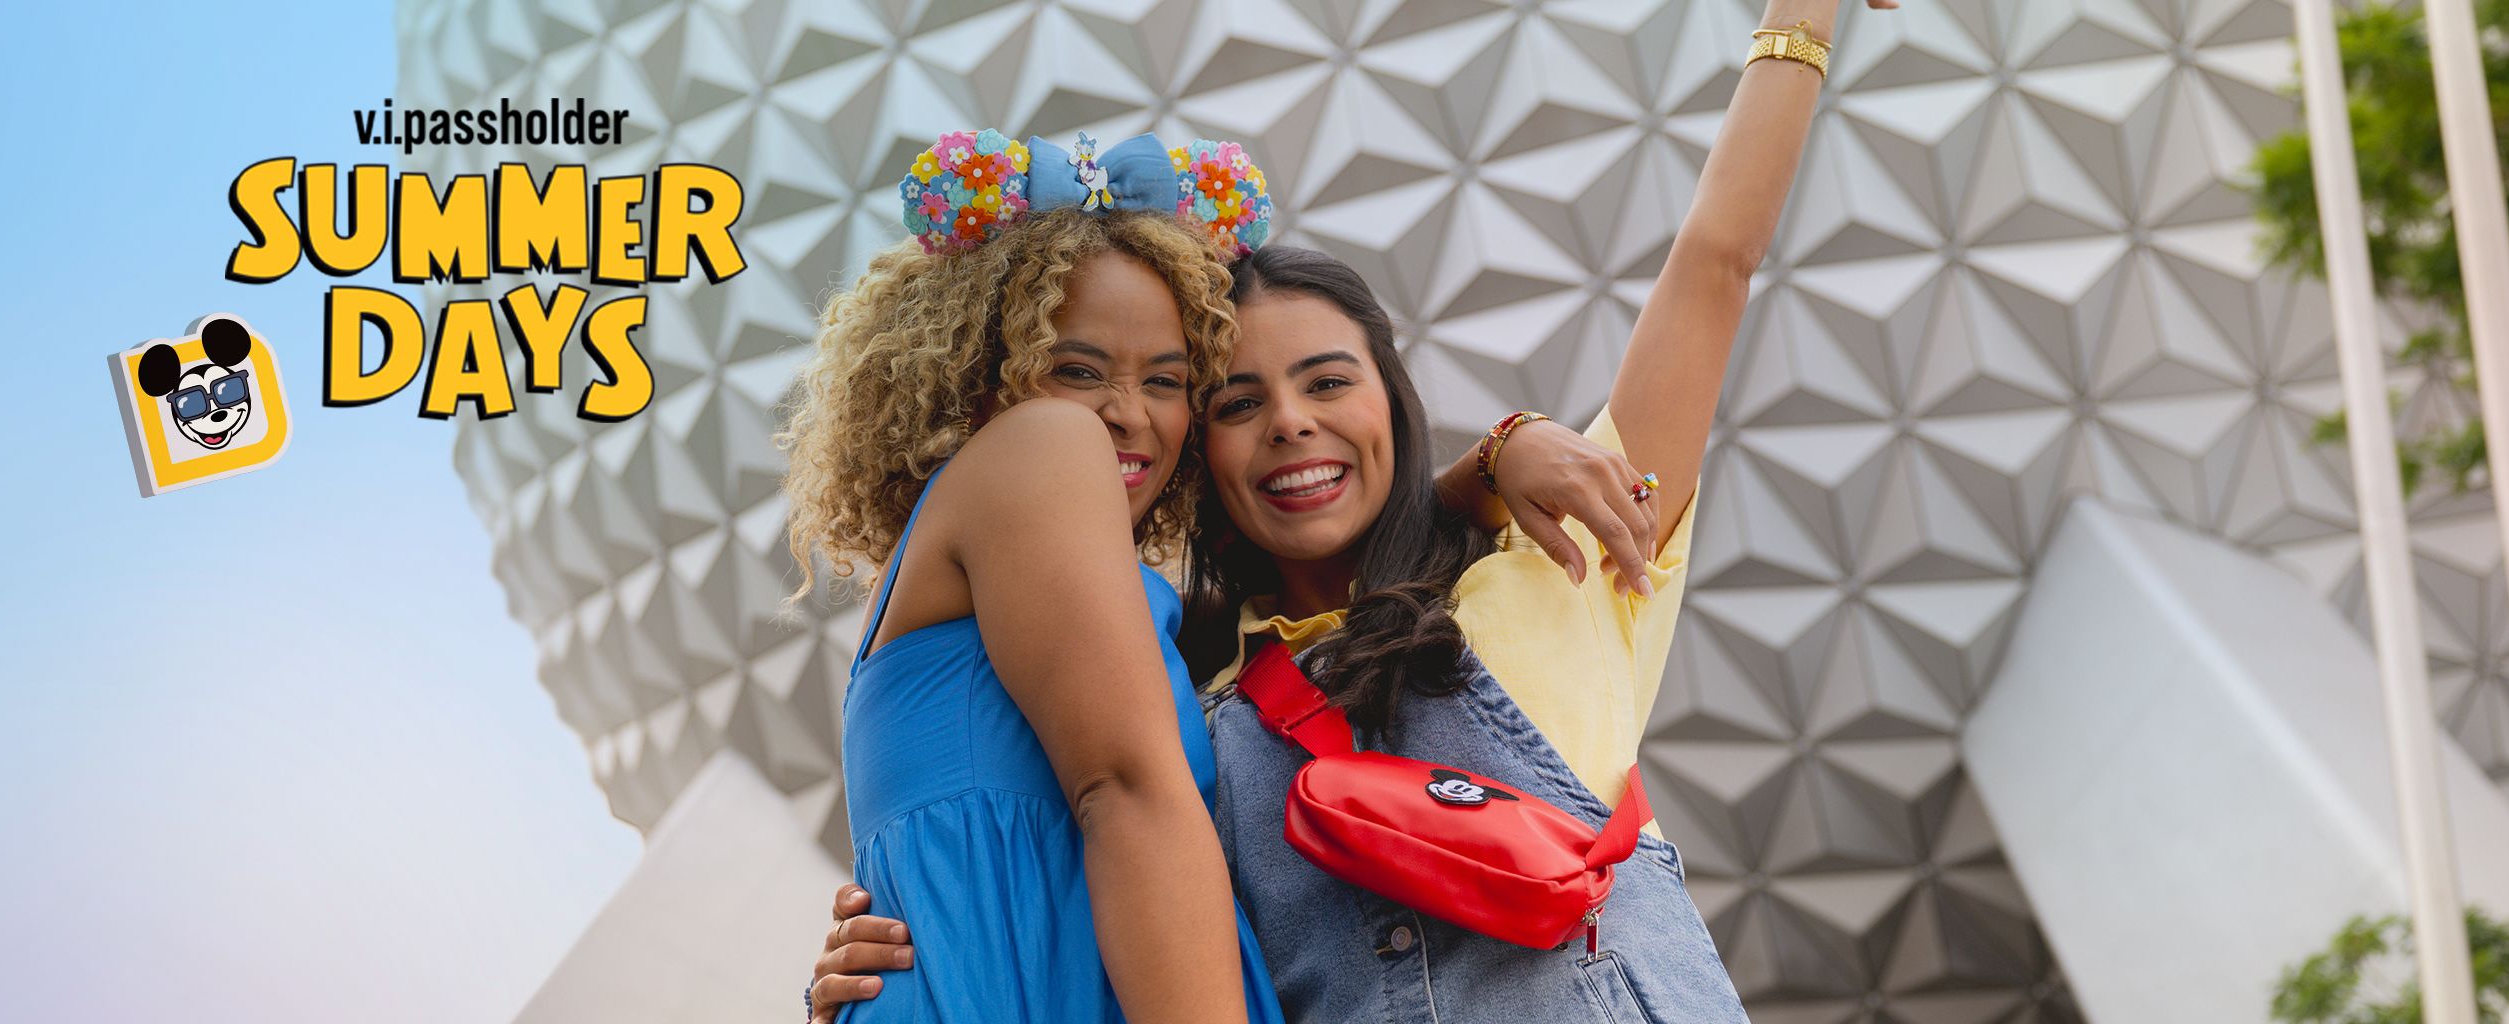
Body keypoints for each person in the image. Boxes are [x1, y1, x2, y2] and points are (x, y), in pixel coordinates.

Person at [812, 5, 1887, 1015]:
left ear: (1391, 400)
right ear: (1206, 452)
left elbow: (1713, 266)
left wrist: (1800, 21)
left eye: (1328, 383)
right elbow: (1060, 862)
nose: (1289, 423)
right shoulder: (1192, 701)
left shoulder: (1564, 569)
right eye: (1237, 400)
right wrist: (884, 962)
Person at [787, 129, 1661, 1023]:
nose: (1124, 414)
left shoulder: (1060, 589)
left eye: (1167, 382)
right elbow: (1125, 793)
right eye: (1075, 370)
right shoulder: (1044, 447)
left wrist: (1486, 468)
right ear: (980, 371)